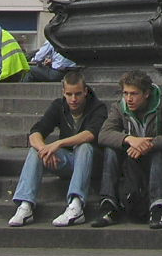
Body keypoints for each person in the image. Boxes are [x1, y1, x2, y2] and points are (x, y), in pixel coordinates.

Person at [8, 69, 108, 227]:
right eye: (69, 94)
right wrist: (44, 149)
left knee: (84, 146)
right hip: (67, 161)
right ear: (63, 92)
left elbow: (90, 134)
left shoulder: (98, 107)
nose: (73, 99)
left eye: (78, 94)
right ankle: (25, 205)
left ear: (86, 91)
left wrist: (58, 144)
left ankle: (76, 205)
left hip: (93, 163)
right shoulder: (58, 105)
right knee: (35, 150)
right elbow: (36, 131)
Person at [92, 69, 162, 229]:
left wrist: (148, 144)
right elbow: (103, 134)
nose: (128, 98)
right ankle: (108, 205)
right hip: (131, 158)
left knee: (158, 151)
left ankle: (157, 206)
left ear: (146, 93)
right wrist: (130, 140)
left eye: (134, 94)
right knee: (110, 150)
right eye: (125, 93)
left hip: (156, 160)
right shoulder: (119, 107)